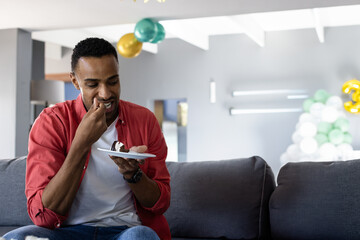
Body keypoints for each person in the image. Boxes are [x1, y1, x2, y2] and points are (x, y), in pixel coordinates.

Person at [3, 38, 171, 240]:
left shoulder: (144, 120)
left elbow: (161, 203)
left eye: (113, 81)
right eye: (93, 84)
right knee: (17, 238)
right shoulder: (51, 122)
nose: (106, 93)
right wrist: (82, 142)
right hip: (67, 232)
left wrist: (133, 174)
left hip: (126, 229)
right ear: (75, 81)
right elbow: (44, 217)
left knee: (142, 236)